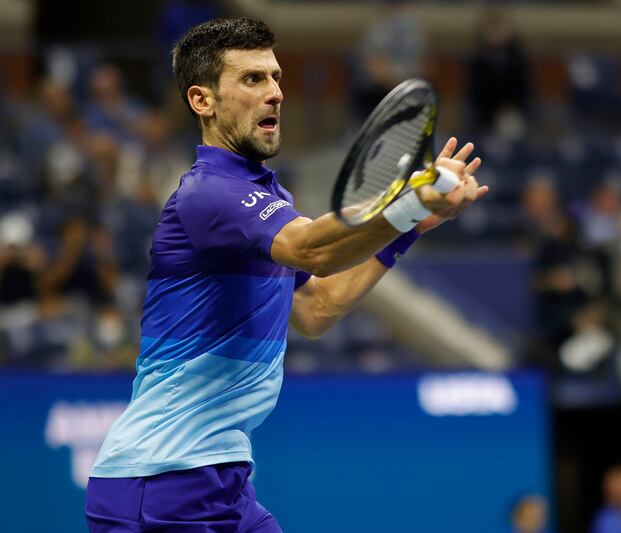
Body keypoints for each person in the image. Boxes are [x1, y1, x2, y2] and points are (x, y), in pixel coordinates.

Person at [84, 17, 487, 533]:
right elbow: (312, 249)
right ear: (202, 101)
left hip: (219, 480)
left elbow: (318, 307)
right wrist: (405, 202)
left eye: (276, 77)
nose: (275, 93)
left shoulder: (270, 202)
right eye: (252, 79)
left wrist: (411, 225)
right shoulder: (208, 194)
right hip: (160, 481)